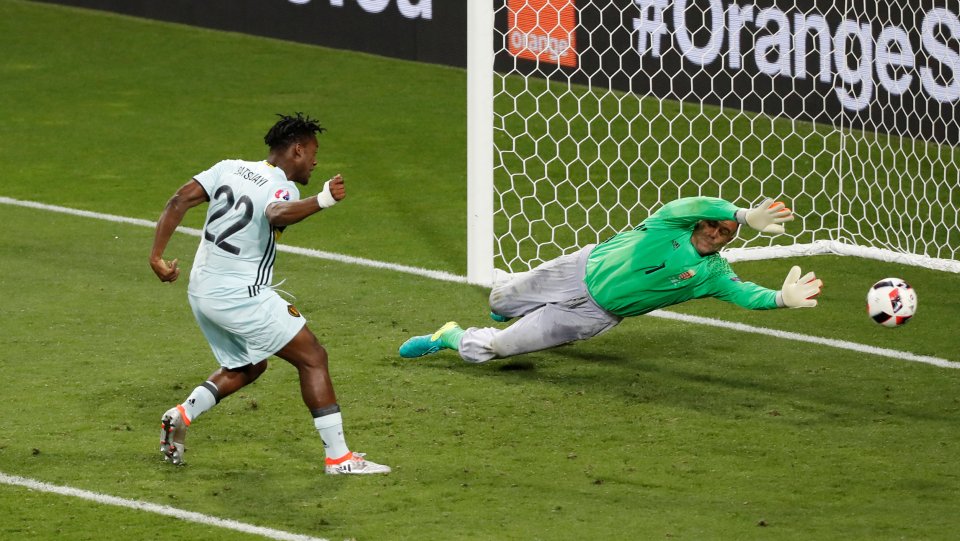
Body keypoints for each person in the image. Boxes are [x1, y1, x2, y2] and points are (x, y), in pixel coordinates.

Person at [149, 113, 389, 475]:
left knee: (250, 363)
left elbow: (178, 200)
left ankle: (182, 415)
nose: (315, 160)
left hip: (201, 291)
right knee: (313, 357)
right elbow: (277, 211)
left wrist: (156, 256)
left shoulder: (228, 167)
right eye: (313, 151)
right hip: (240, 295)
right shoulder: (283, 186)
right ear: (297, 149)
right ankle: (339, 459)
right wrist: (321, 199)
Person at [399, 196, 823, 363]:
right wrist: (743, 214)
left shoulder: (711, 274)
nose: (716, 234)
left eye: (726, 233)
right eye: (714, 225)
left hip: (595, 315)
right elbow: (690, 203)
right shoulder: (667, 226)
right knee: (502, 299)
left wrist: (780, 299)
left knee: (502, 347)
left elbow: (745, 295)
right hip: (576, 272)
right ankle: (512, 304)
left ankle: (450, 336)